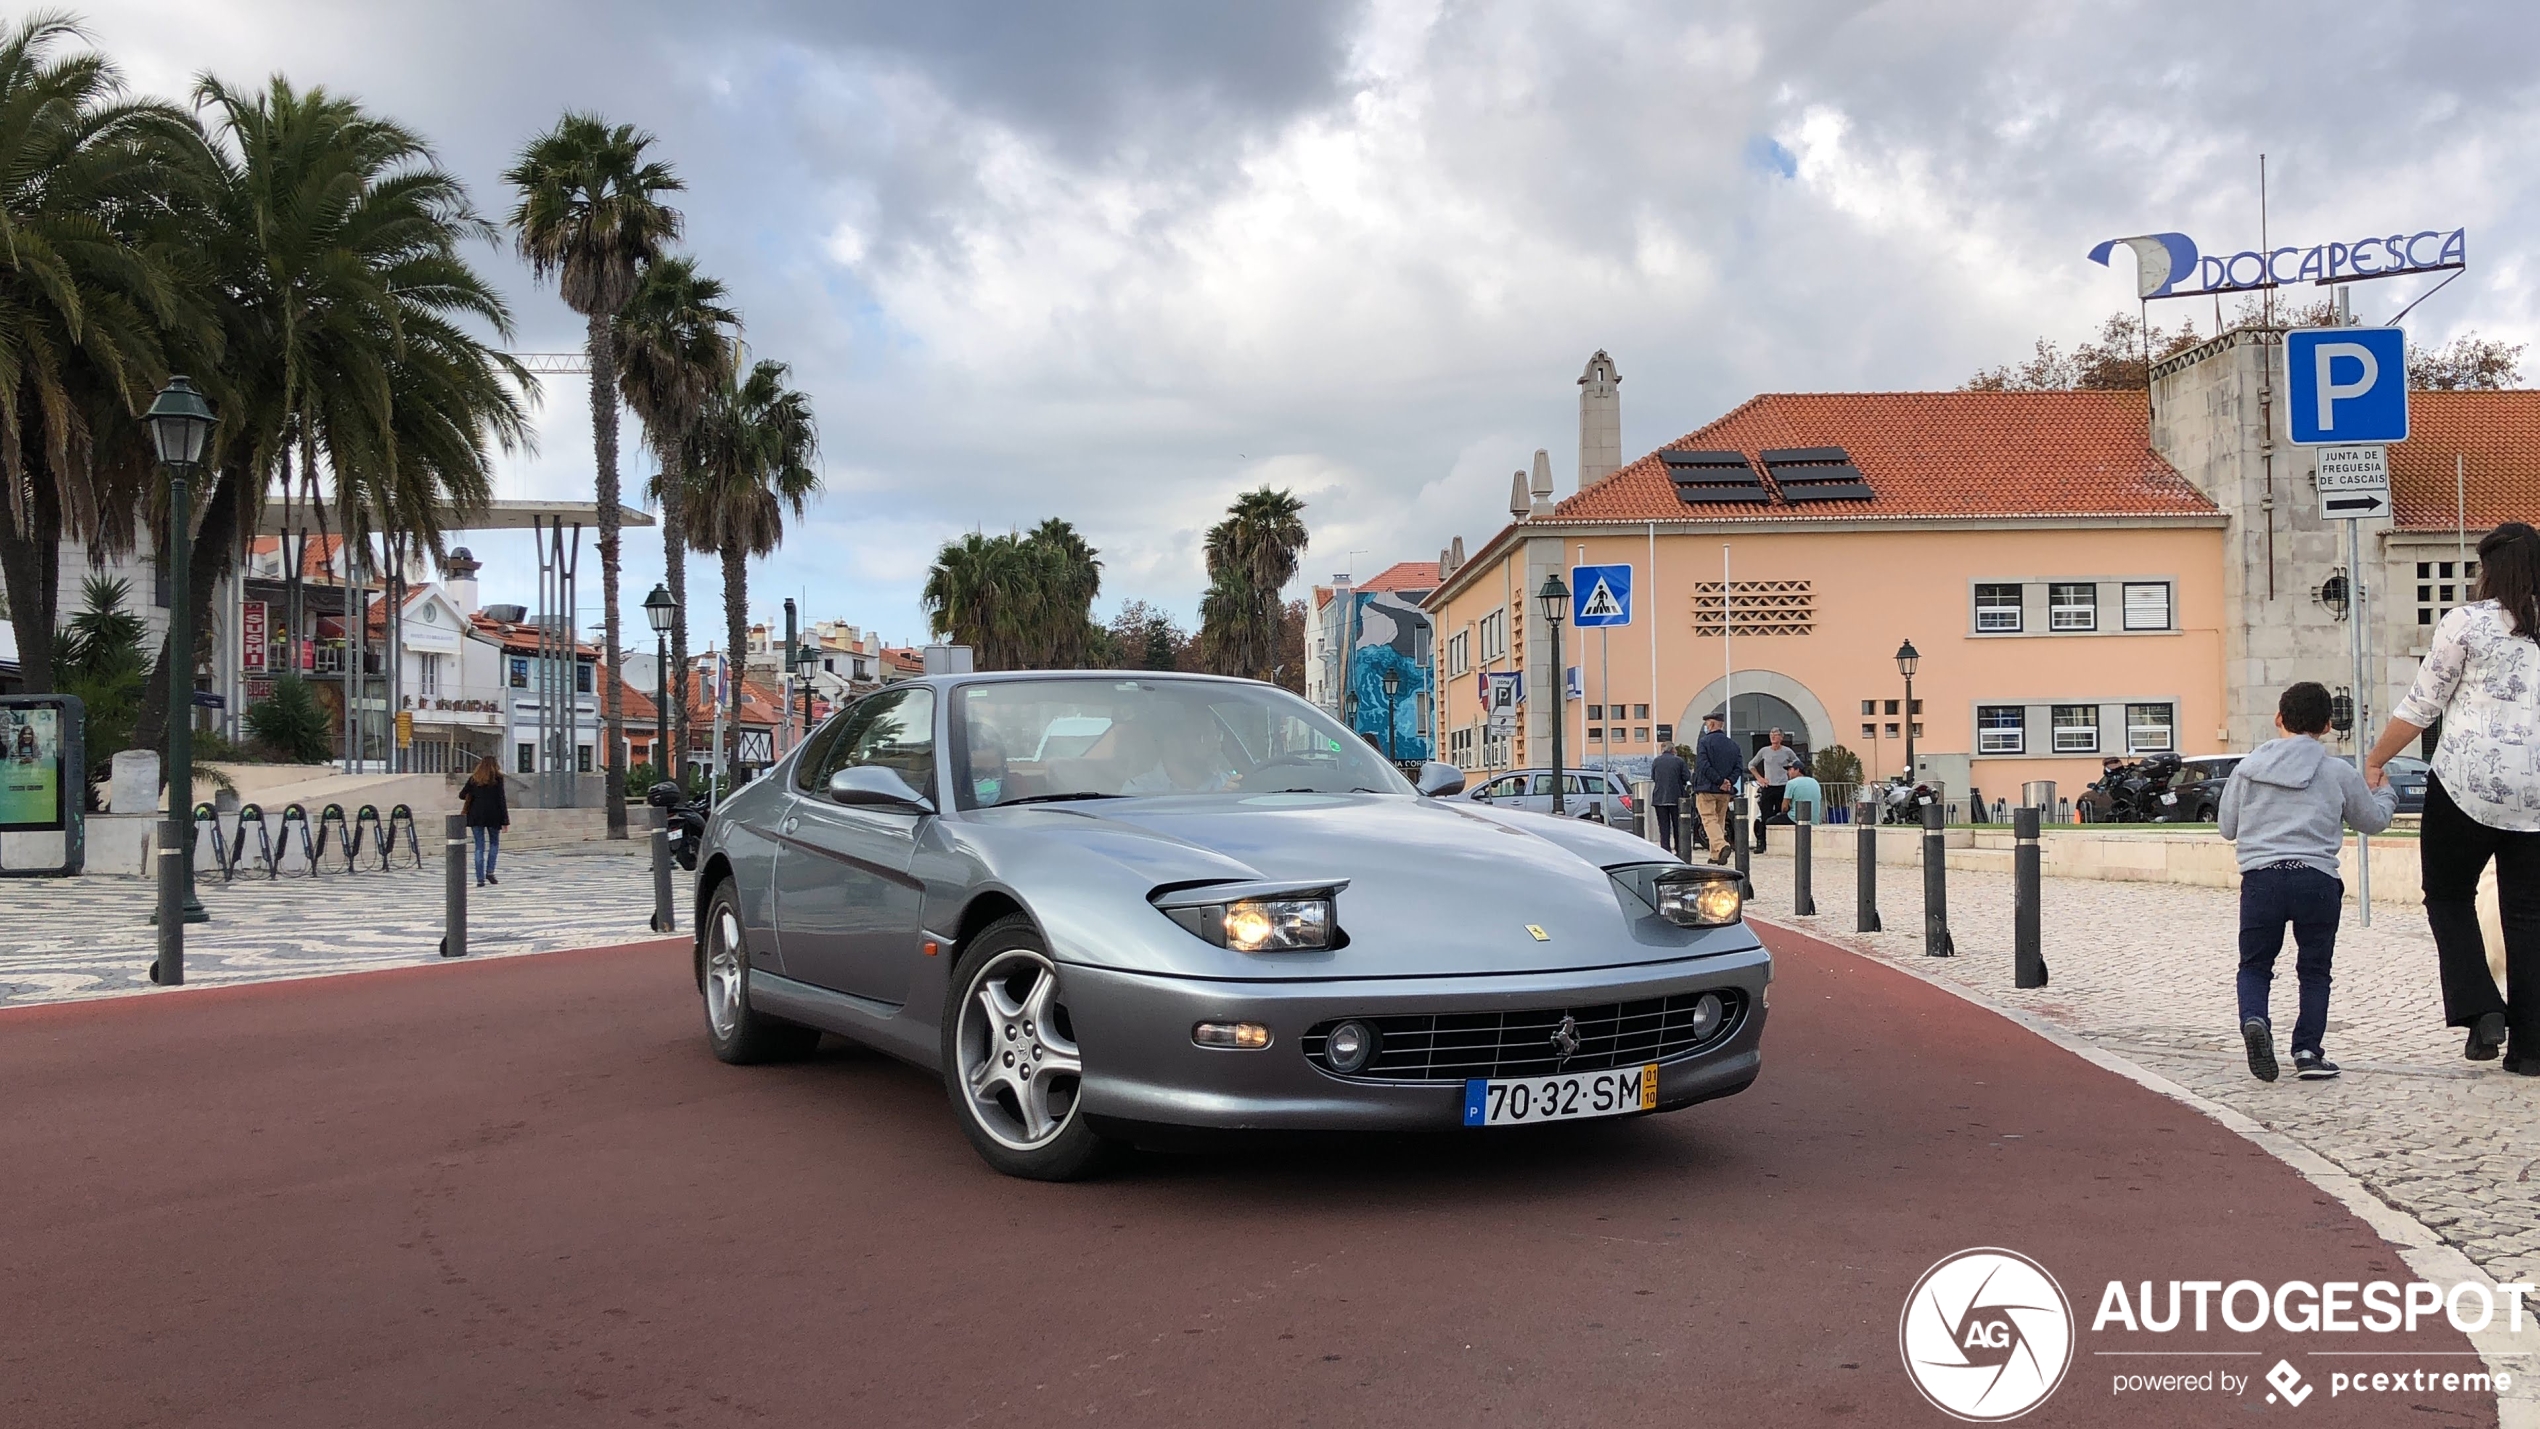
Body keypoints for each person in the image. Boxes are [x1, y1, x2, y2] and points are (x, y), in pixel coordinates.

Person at [2365, 520, 2540, 1074]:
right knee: (2530, 916)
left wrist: (2374, 760)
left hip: (2465, 785)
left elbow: (2422, 706)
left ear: (2486, 568)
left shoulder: (2464, 622)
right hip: (2537, 796)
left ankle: (2481, 1008)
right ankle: (2532, 1051)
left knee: (2446, 895)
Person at [2219, 682, 2397, 1082]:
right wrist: (2385, 794)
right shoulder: (2337, 771)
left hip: (2262, 879)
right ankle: (2307, 1052)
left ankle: (2254, 1020)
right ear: (2329, 724)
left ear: (2279, 718)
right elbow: (2373, 821)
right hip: (2316, 879)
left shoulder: (2247, 770)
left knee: (2255, 965)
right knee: (2315, 970)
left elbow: (2227, 828)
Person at [1692, 713, 1743, 866]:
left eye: (1707, 723)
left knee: (1708, 819)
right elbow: (1738, 767)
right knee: (1719, 820)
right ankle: (1715, 855)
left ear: (1712, 724)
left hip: (1707, 787)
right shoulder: (1733, 745)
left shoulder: (1704, 742)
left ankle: (1721, 845)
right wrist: (1729, 781)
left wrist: (1719, 781)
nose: (1706, 726)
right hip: (1725, 791)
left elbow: (1703, 764)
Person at [458, 754, 510, 887]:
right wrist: (505, 821)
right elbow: (501, 800)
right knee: (494, 844)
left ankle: (480, 879)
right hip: (494, 816)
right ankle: (490, 872)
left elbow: (462, 795)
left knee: (479, 847)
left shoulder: (474, 779)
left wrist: (474, 795)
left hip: (476, 816)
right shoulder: (498, 779)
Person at [1747, 728, 1802, 850]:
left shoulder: (1787, 751)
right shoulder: (1764, 751)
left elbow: (1798, 764)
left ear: (1781, 737)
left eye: (1776, 735)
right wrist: (1760, 778)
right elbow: (1751, 765)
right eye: (1771, 734)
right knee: (1765, 815)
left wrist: (1791, 777)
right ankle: (1762, 843)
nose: (1773, 737)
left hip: (1782, 787)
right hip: (1768, 786)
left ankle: (1778, 842)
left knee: (1780, 813)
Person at [1648, 741, 1690, 855]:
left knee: (1663, 827)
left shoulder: (1656, 761)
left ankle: (1665, 850)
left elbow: (1653, 777)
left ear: (1662, 750)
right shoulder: (1679, 761)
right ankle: (1679, 849)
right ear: (1673, 750)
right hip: (1676, 798)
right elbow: (1686, 776)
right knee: (1678, 826)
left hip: (1659, 798)